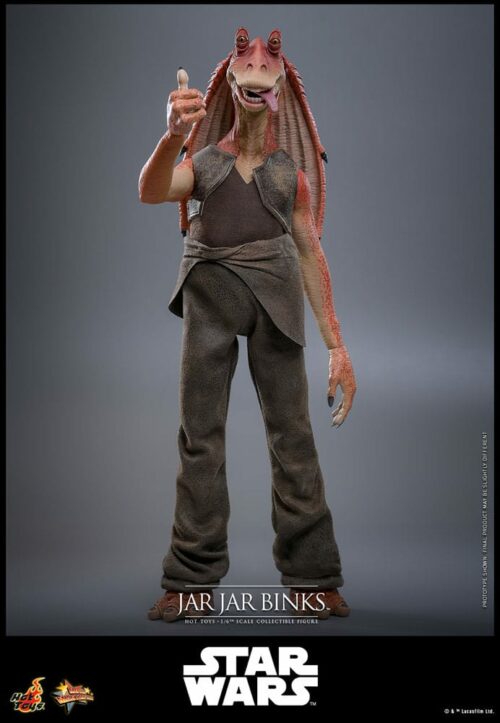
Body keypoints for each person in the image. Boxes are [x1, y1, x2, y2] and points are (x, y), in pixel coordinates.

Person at [138, 28, 357, 623]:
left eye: (269, 56)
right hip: (208, 305)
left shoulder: (290, 176)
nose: (257, 64)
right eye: (244, 54)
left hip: (276, 307)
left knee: (293, 436)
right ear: (229, 81)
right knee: (200, 438)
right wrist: (172, 137)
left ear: (281, 84)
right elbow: (152, 191)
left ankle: (313, 578)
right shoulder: (204, 163)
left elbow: (310, 251)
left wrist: (337, 346)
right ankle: (190, 580)